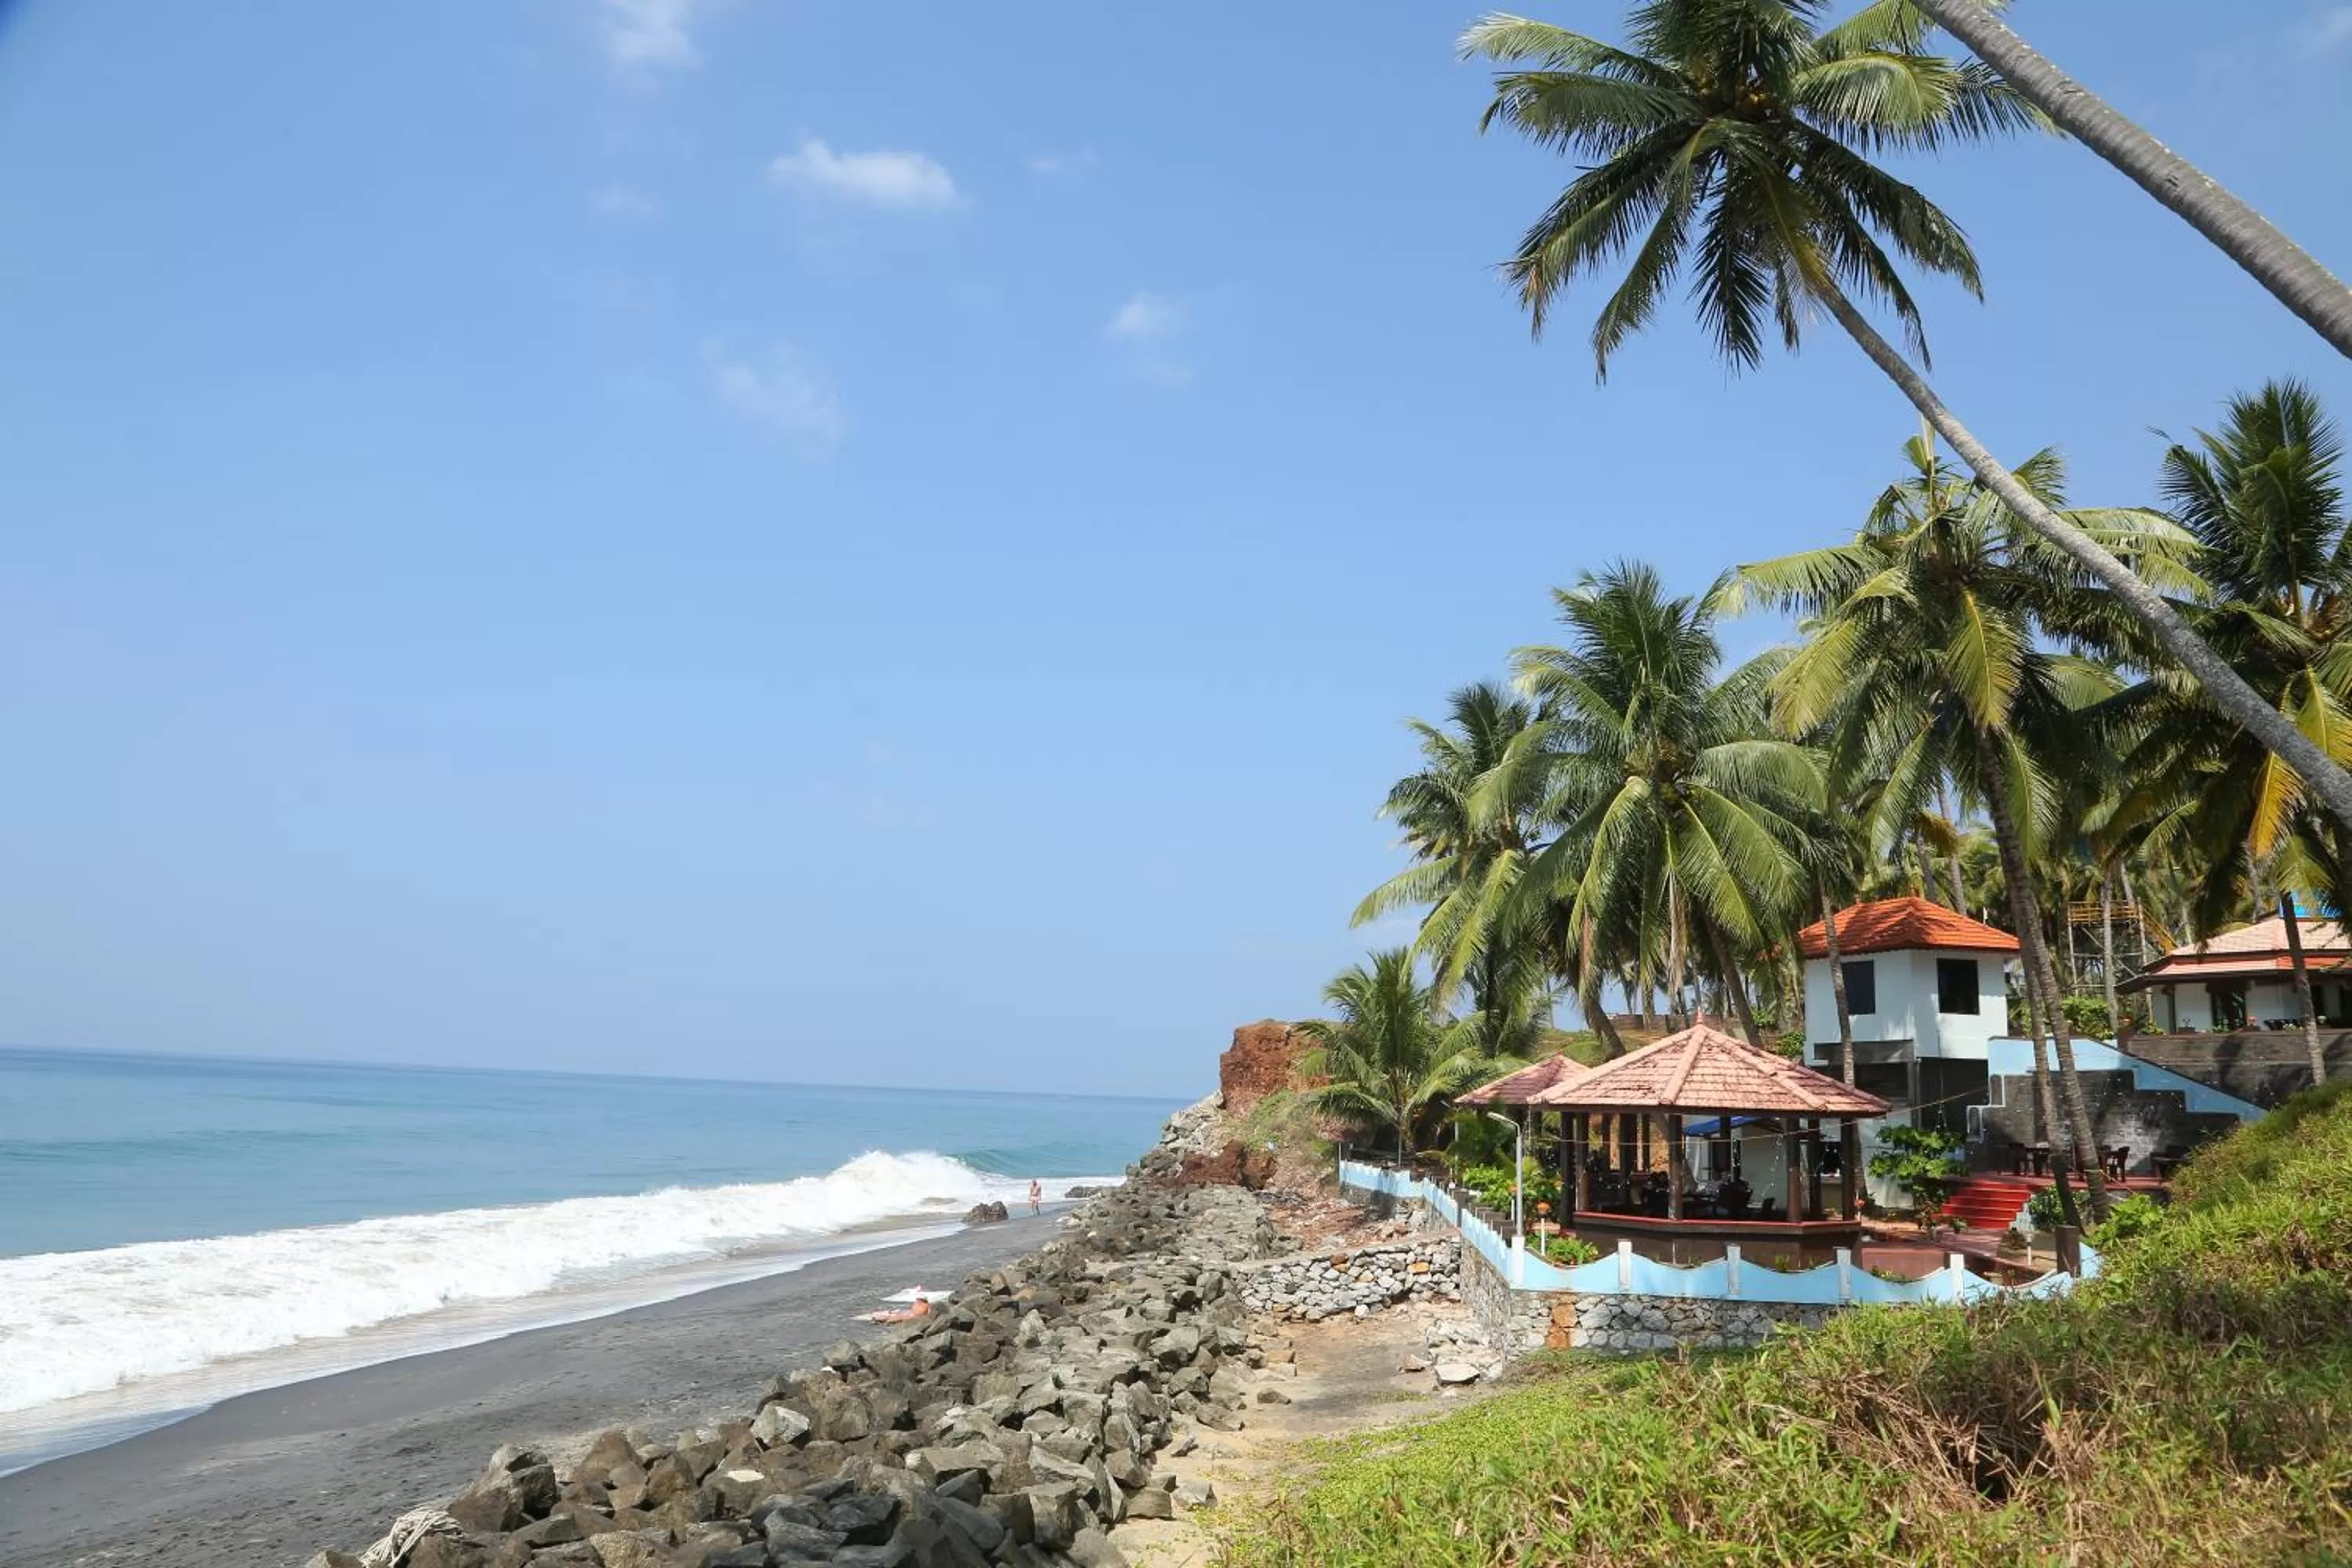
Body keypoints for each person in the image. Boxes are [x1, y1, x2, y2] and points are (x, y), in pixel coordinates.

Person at [857, 1291, 934, 1325]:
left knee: (895, 1316)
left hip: (910, 1316)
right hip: (910, 1314)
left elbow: (917, 1313)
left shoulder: (921, 1305)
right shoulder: (925, 1305)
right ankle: (879, 1318)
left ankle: (879, 1319)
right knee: (894, 1314)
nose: (917, 1300)